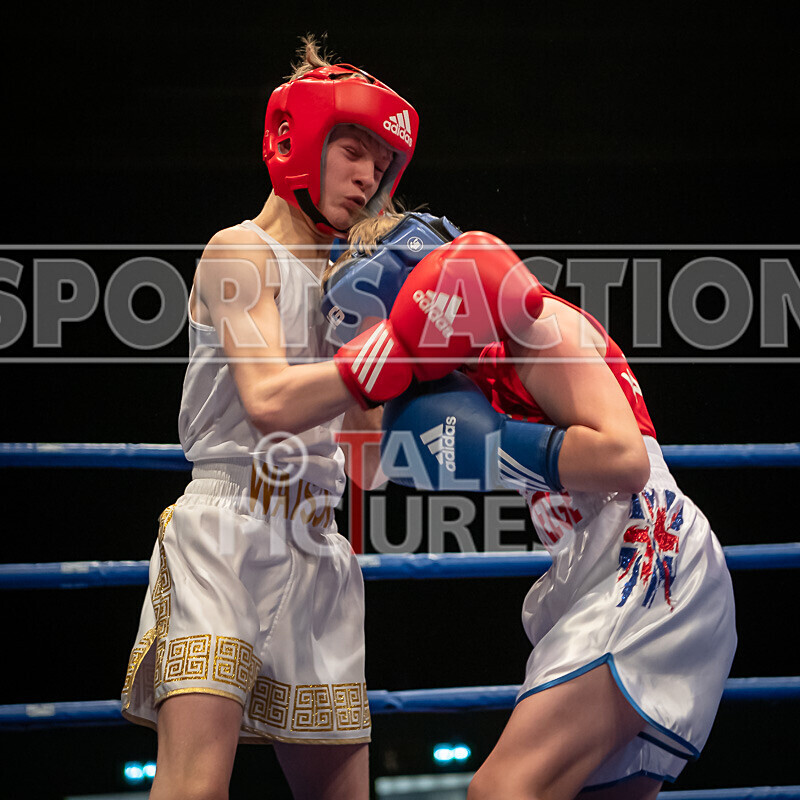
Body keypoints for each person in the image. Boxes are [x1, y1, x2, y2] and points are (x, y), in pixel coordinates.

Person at [327, 211, 737, 800]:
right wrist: (355, 370)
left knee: (503, 789)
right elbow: (369, 469)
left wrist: (495, 448)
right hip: (596, 570)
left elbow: (625, 460)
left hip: (648, 561)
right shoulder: (460, 374)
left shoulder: (536, 327)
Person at [119, 37, 419, 800]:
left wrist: (378, 345)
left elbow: (365, 469)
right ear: (301, 142)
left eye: (382, 168)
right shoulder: (237, 254)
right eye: (354, 151)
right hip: (227, 530)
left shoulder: (355, 287)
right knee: (194, 784)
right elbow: (269, 402)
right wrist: (390, 348)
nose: (367, 178)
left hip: (320, 541)